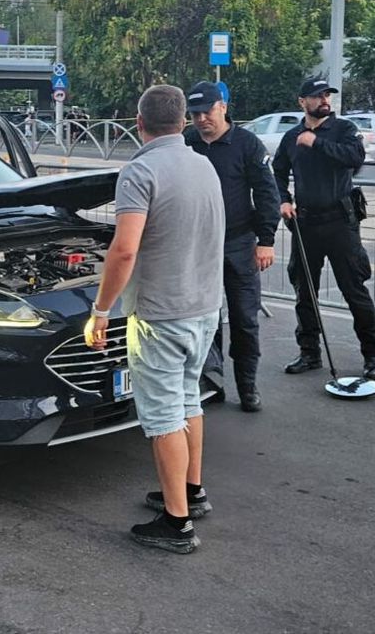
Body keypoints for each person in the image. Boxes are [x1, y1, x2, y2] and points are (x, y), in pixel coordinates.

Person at [86, 84, 224, 554]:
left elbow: (124, 250)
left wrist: (101, 310)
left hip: (161, 315)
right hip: (204, 307)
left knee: (164, 414)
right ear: (184, 121)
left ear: (137, 122)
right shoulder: (203, 164)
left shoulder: (140, 171)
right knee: (189, 399)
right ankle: (191, 491)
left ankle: (177, 524)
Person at [273, 77, 375, 381]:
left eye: (327, 95)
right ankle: (309, 352)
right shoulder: (291, 137)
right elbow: (278, 172)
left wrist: (318, 142)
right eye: (317, 96)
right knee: (304, 291)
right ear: (302, 102)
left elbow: (355, 158)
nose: (324, 100)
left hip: (340, 222)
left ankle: (372, 354)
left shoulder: (343, 130)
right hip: (305, 223)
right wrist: (283, 200)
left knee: (354, 289)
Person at [183, 81, 280, 413]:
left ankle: (247, 386)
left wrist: (266, 240)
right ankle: (212, 383)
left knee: (244, 317)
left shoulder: (247, 144)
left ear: (222, 106)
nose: (200, 119)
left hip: (239, 242)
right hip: (199, 245)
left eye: (206, 111)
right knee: (204, 319)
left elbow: (267, 193)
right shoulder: (187, 143)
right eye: (194, 114)